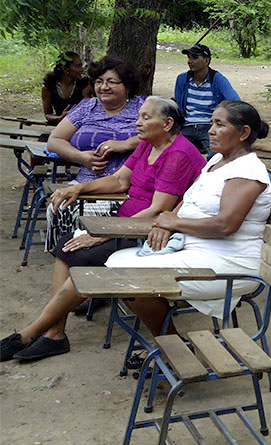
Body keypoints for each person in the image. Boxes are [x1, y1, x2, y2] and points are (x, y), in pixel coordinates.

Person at [0, 96, 206, 362]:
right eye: (139, 116)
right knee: (66, 247)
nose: (137, 122)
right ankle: (53, 332)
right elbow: (120, 180)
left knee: (84, 256)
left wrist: (103, 234)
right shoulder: (147, 145)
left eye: (145, 117)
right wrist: (79, 187)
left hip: (151, 232)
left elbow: (157, 211)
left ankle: (36, 332)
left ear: (167, 123)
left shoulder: (178, 154)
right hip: (126, 223)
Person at [103, 100, 271, 341]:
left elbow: (225, 225)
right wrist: (170, 219)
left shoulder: (247, 171)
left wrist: (173, 223)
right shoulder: (217, 160)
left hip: (230, 263)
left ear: (243, 133)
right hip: (196, 248)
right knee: (116, 263)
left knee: (128, 276)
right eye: (212, 123)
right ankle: (171, 343)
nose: (210, 130)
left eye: (219, 124)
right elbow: (190, 197)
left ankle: (170, 344)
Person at [45, 56, 146, 251]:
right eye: (99, 82)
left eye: (111, 82)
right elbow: (54, 140)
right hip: (85, 183)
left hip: (124, 188)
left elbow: (163, 135)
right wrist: (81, 157)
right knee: (58, 207)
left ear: (127, 85)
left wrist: (126, 144)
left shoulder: (142, 108)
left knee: (77, 211)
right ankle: (64, 259)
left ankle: (85, 259)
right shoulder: (87, 107)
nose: (104, 87)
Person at [174, 43, 241, 158]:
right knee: (175, 155)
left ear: (206, 61)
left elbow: (235, 102)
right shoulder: (182, 79)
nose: (190, 61)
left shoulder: (217, 79)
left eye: (194, 58)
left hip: (209, 126)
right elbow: (179, 106)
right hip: (187, 126)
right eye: (189, 57)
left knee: (215, 156)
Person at [41, 51, 91, 125]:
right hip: (63, 126)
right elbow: (48, 114)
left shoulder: (85, 84)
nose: (82, 70)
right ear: (65, 69)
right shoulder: (49, 86)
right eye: (78, 66)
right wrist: (60, 117)